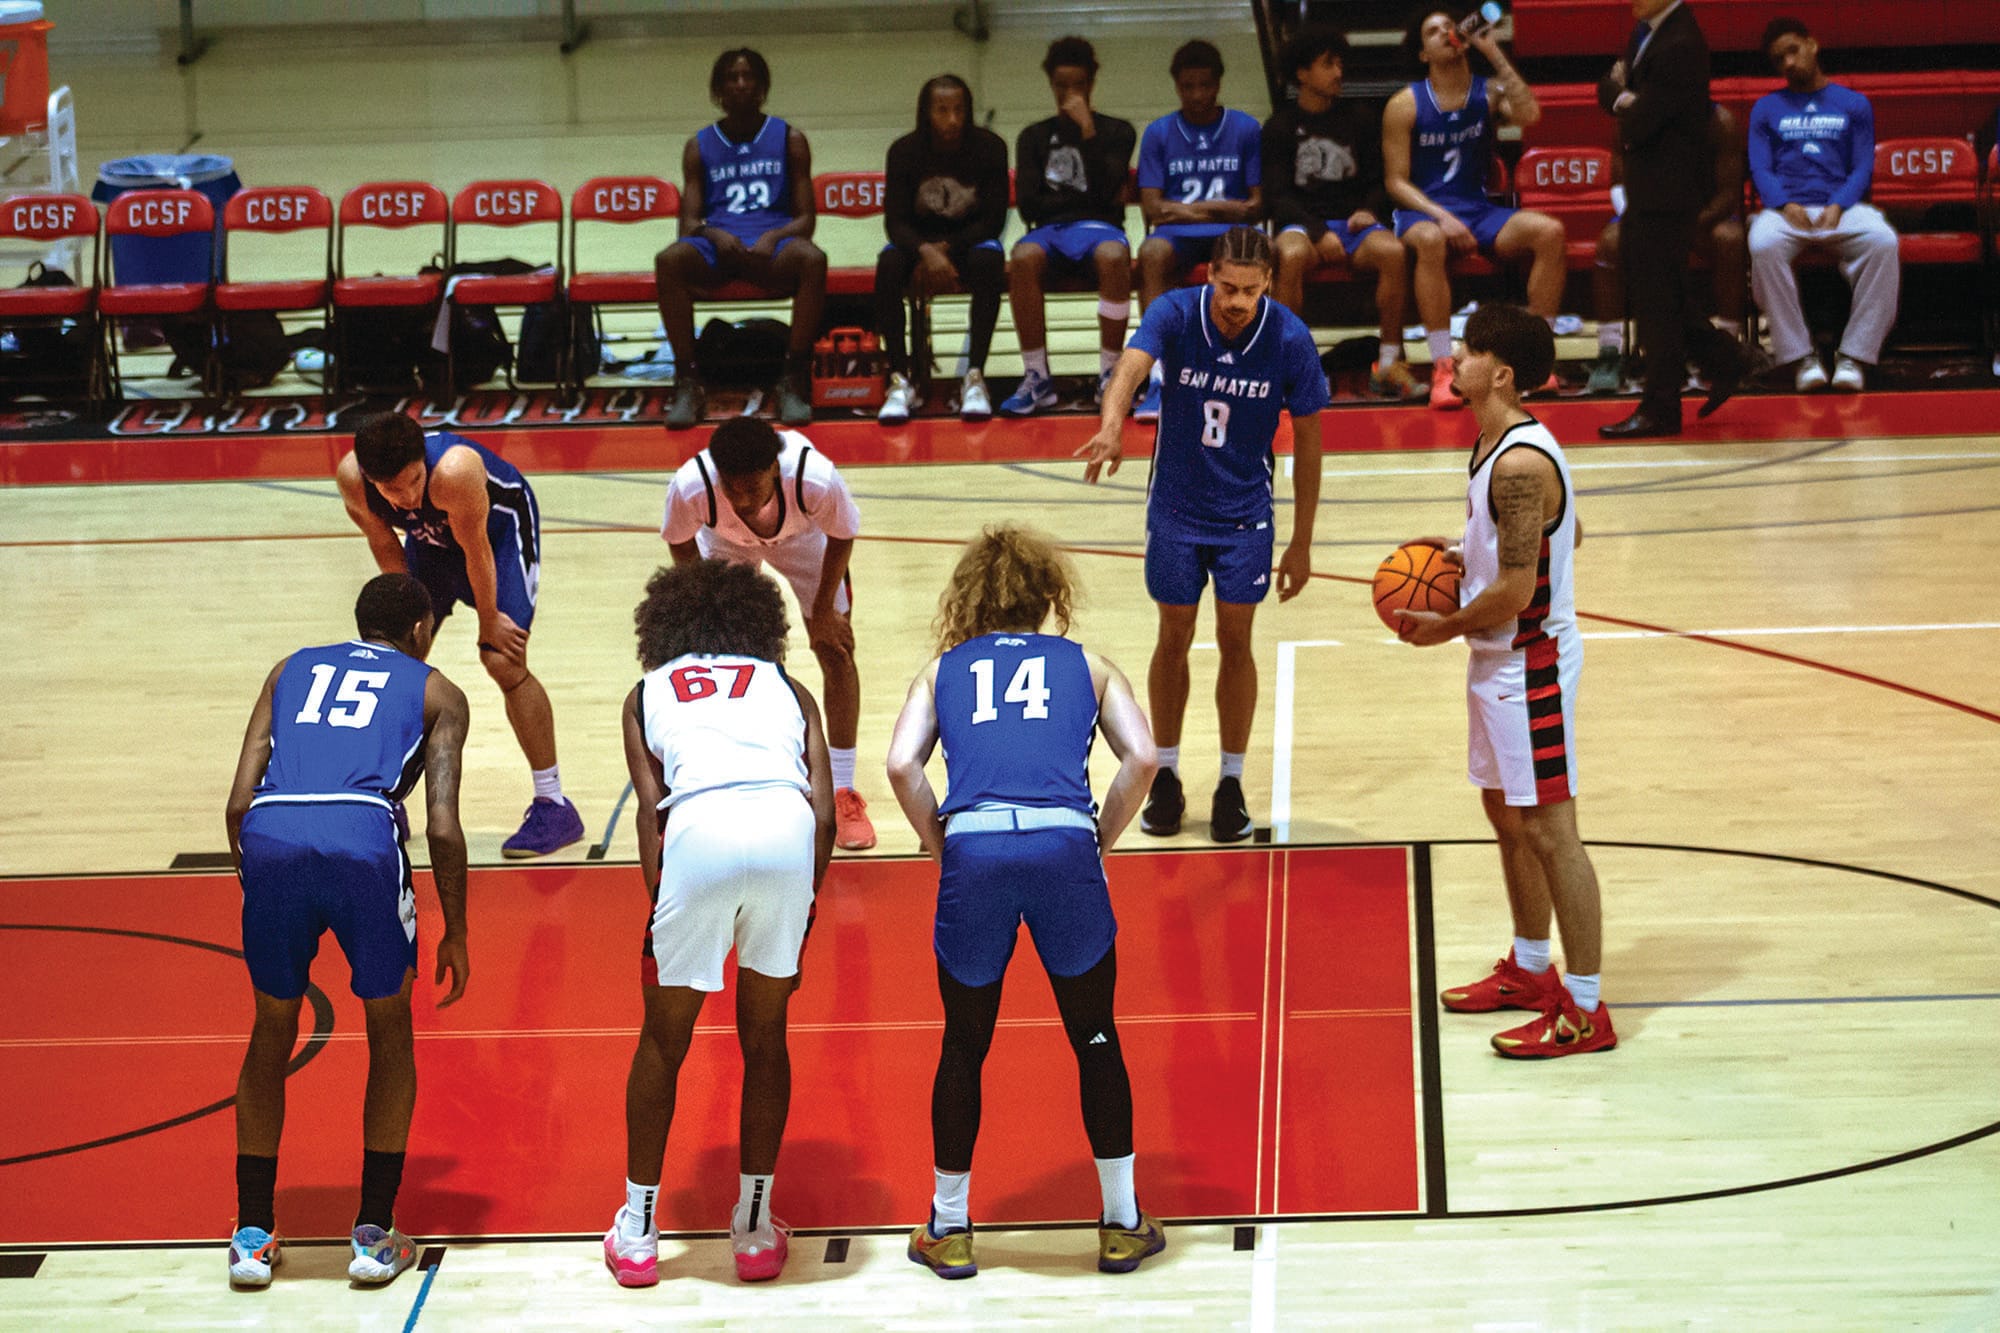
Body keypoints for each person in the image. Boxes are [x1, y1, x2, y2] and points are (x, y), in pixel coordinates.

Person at [885, 524, 1165, 1279]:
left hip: (974, 847)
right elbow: (1143, 758)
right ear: (1049, 596)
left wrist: (944, 844)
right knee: (1096, 1036)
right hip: (1064, 844)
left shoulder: (940, 671)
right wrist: (1098, 837)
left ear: (971, 599)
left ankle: (949, 1227)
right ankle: (1121, 1223)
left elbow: (901, 766)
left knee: (963, 1043)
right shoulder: (1090, 665)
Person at [224, 573, 472, 1288]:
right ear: (422, 629)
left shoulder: (289, 669)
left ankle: (251, 1236)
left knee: (271, 1028)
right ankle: (372, 1235)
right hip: (362, 837)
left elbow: (237, 802)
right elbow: (443, 825)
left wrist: (262, 874)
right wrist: (456, 928)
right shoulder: (438, 692)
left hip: (271, 831)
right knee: (389, 1030)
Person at [604, 559, 835, 1289]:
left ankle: (638, 1232)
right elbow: (827, 814)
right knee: (766, 1040)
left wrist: (662, 906)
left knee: (662, 1040)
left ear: (663, 626)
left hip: (696, 835)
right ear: (758, 622)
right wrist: (804, 910)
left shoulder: (645, 693)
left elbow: (650, 815)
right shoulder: (790, 688)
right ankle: (755, 1229)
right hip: (785, 833)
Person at [1392, 303, 1615, 1060]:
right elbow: (1568, 530)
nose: (1453, 358)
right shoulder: (1495, 442)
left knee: (1552, 830)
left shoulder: (1520, 463)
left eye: (1469, 351)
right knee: (1506, 815)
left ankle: (1585, 1009)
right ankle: (1530, 966)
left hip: (1532, 664)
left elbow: (1519, 590)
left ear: (1503, 373)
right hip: (1498, 660)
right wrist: (1468, 545)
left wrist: (1442, 625)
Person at [1078, 226, 1327, 843]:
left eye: (1250, 290)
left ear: (1268, 283)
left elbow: (1311, 446)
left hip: (1245, 514)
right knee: (1174, 636)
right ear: (1209, 276)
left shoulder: (1290, 339)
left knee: (1236, 641)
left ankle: (1231, 782)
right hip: (1176, 509)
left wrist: (1302, 542)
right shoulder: (1174, 313)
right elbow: (1130, 368)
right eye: (1227, 287)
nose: (1237, 301)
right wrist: (1112, 424)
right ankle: (1164, 773)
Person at [336, 412, 585, 858]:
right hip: (432, 542)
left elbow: (477, 550)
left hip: (498, 535)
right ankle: (383, 799)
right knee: (393, 665)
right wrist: (404, 621)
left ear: (423, 461)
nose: (407, 496)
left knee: (501, 659)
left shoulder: (455, 470)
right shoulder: (352, 479)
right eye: (392, 490)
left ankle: (554, 805)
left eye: (414, 480)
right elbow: (385, 544)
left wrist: (489, 620)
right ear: (371, 479)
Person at [662, 417, 875, 851]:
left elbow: (842, 534)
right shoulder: (691, 486)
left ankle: (843, 790)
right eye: (731, 488)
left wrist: (823, 611)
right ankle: (752, 779)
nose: (741, 499)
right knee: (733, 664)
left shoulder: (814, 478)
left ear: (774, 469)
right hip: (726, 545)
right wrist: (707, 602)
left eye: (751, 487)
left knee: (835, 649)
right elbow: (680, 541)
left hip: (806, 540)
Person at [1385, 8, 1568, 411]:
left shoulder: (1488, 92)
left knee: (1550, 232)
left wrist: (1493, 51)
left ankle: (1535, 358)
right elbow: (1395, 182)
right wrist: (1442, 217)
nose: (1446, 32)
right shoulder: (1404, 104)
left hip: (1478, 208)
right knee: (1430, 240)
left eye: (1449, 26)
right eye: (1433, 31)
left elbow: (1530, 115)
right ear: (1423, 54)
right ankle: (1443, 366)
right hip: (1424, 212)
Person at [1597, 0, 1750, 438]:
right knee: (1663, 297)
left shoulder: (1681, 42)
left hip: (1670, 190)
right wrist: (1622, 97)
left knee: (1657, 305)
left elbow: (1639, 122)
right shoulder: (1647, 31)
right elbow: (1609, 87)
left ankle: (1661, 408)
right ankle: (1727, 357)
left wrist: (1620, 96)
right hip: (1647, 188)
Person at [658, 48, 827, 430]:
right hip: (719, 247)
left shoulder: (790, 139)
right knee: (669, 260)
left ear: (762, 86)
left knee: (813, 259)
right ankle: (687, 381)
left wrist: (774, 236)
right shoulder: (699, 145)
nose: (740, 84)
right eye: (731, 78)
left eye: (748, 76)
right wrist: (713, 234)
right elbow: (688, 224)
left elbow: (806, 219)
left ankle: (793, 377)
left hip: (773, 247)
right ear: (718, 90)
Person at [1262, 24, 1424, 401]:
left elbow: (1380, 181)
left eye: (1339, 63)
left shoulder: (1361, 118)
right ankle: (1287, 367)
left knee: (1393, 252)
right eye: (1327, 64)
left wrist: (1369, 209)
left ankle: (1389, 365)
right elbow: (1276, 196)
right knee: (1289, 255)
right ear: (1302, 73)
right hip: (1303, 226)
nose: (1338, 72)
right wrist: (1318, 232)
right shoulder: (1279, 127)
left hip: (1353, 227)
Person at [1746, 17, 1899, 394]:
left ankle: (1854, 355)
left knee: (1883, 241)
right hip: (1787, 211)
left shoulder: (1854, 103)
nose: (1788, 63)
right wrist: (1783, 204)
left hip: (1840, 208)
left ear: (1812, 45)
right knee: (1762, 243)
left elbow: (1862, 165)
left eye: (1793, 51)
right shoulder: (1766, 108)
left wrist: (1839, 204)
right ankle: (1801, 356)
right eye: (1779, 59)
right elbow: (1760, 168)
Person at [1001, 36, 1138, 419]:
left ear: (1091, 83)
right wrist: (1081, 200)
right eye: (1061, 85)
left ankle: (1110, 374)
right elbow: (1029, 204)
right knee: (1022, 256)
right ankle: (1037, 377)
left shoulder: (1117, 131)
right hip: (1049, 231)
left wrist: (1088, 131)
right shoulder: (1033, 136)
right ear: (1051, 84)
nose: (1069, 93)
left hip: (1100, 229)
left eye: (1078, 84)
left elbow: (1108, 191)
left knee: (1115, 255)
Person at [1133, 40, 1265, 419]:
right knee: (1151, 252)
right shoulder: (1159, 132)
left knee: (1259, 251)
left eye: (1204, 85)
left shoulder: (1245, 128)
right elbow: (1153, 207)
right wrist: (1222, 209)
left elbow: (1255, 206)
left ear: (1218, 84)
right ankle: (1159, 374)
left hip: (1230, 235)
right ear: (1176, 86)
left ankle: (1249, 368)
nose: (1196, 95)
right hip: (1178, 237)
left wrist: (1186, 210)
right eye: (1187, 86)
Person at [876, 74, 1010, 426]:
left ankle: (974, 376)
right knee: (888, 263)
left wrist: (945, 250)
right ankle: (899, 380)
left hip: (968, 241)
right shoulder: (903, 151)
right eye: (942, 110)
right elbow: (895, 223)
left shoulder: (990, 147)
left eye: (959, 110)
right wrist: (926, 251)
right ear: (926, 112)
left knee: (990, 259)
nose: (952, 119)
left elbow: (993, 220)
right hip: (917, 244)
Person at [1588, 101, 1749, 394]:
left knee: (1731, 240)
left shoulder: (1720, 122)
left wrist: (1686, 223)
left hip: (1704, 216)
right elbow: (1619, 184)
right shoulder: (1630, 119)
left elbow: (1728, 194)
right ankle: (1610, 352)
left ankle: (1725, 350)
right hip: (1647, 214)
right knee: (1610, 243)